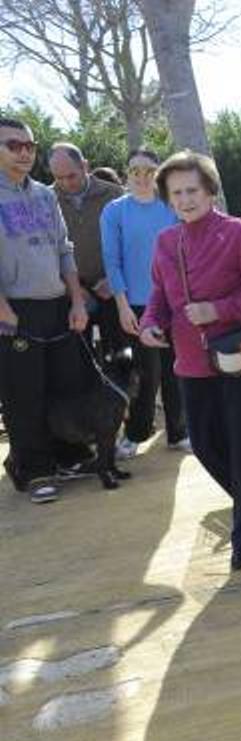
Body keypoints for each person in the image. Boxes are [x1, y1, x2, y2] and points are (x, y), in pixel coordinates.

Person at [139, 150, 241, 570]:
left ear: (210, 192)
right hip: (191, 363)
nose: (185, 199)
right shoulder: (166, 242)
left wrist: (216, 310)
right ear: (167, 198)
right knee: (205, 446)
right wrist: (151, 323)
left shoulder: (240, 233)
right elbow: (160, 295)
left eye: (192, 190)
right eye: (176, 192)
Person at [0, 118, 91, 503]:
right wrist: (4, 311)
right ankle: (34, 470)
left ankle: (69, 455)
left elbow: (63, 249)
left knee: (65, 384)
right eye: (13, 145)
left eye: (29, 146)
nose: (24, 152)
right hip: (14, 310)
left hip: (58, 304)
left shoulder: (43, 194)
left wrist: (76, 300)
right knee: (24, 394)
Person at [100, 147, 188, 459]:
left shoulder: (172, 207)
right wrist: (122, 306)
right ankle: (137, 432)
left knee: (176, 369)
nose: (141, 177)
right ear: (127, 173)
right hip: (135, 305)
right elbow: (112, 261)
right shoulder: (114, 210)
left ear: (158, 173)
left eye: (149, 170)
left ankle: (179, 432)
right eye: (135, 170)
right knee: (146, 373)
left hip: (174, 302)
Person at [48, 143, 124, 356]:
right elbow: (44, 252)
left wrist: (114, 278)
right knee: (78, 355)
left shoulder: (115, 194)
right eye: (58, 177)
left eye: (71, 176)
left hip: (113, 287)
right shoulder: (44, 199)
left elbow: (131, 243)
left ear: (85, 165)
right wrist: (71, 288)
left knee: (121, 354)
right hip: (70, 290)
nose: (65, 183)